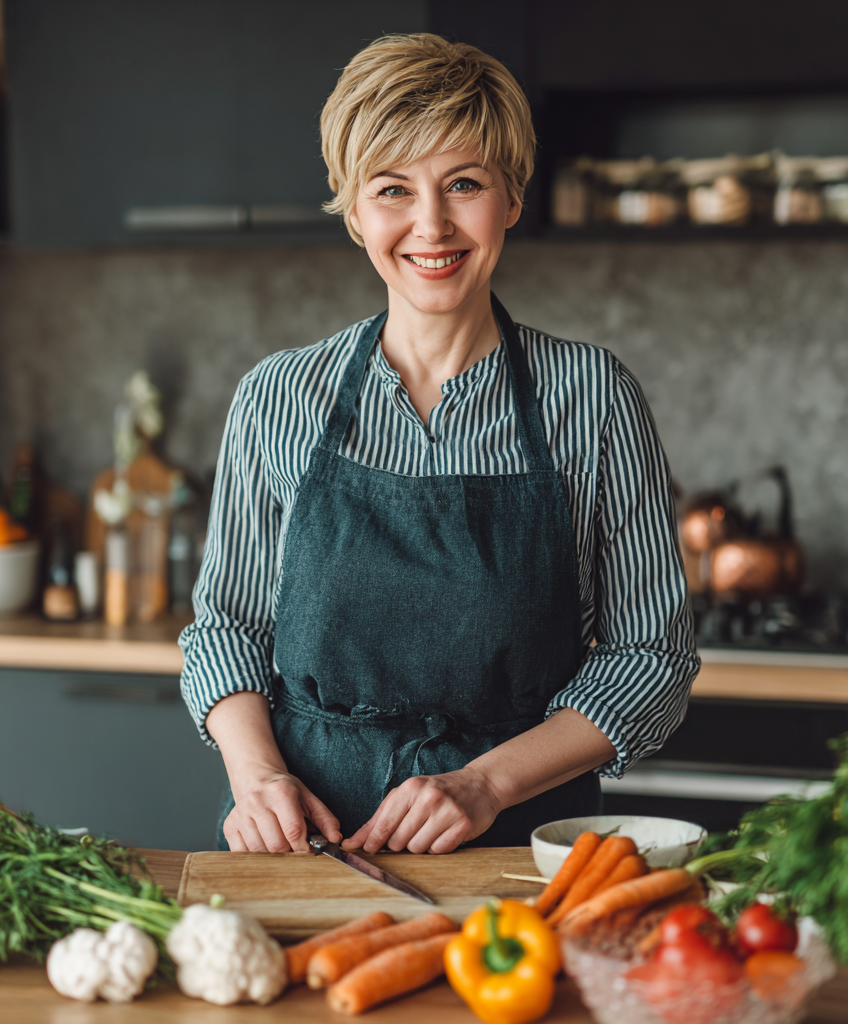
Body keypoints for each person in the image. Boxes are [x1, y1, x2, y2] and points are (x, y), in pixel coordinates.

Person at [179, 33, 699, 856]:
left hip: (523, 852)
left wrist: (486, 784)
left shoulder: (594, 397)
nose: (431, 225)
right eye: (392, 189)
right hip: (307, 849)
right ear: (354, 212)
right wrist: (258, 778)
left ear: (512, 198)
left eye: (464, 184)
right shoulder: (277, 397)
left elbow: (652, 658)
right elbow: (226, 631)